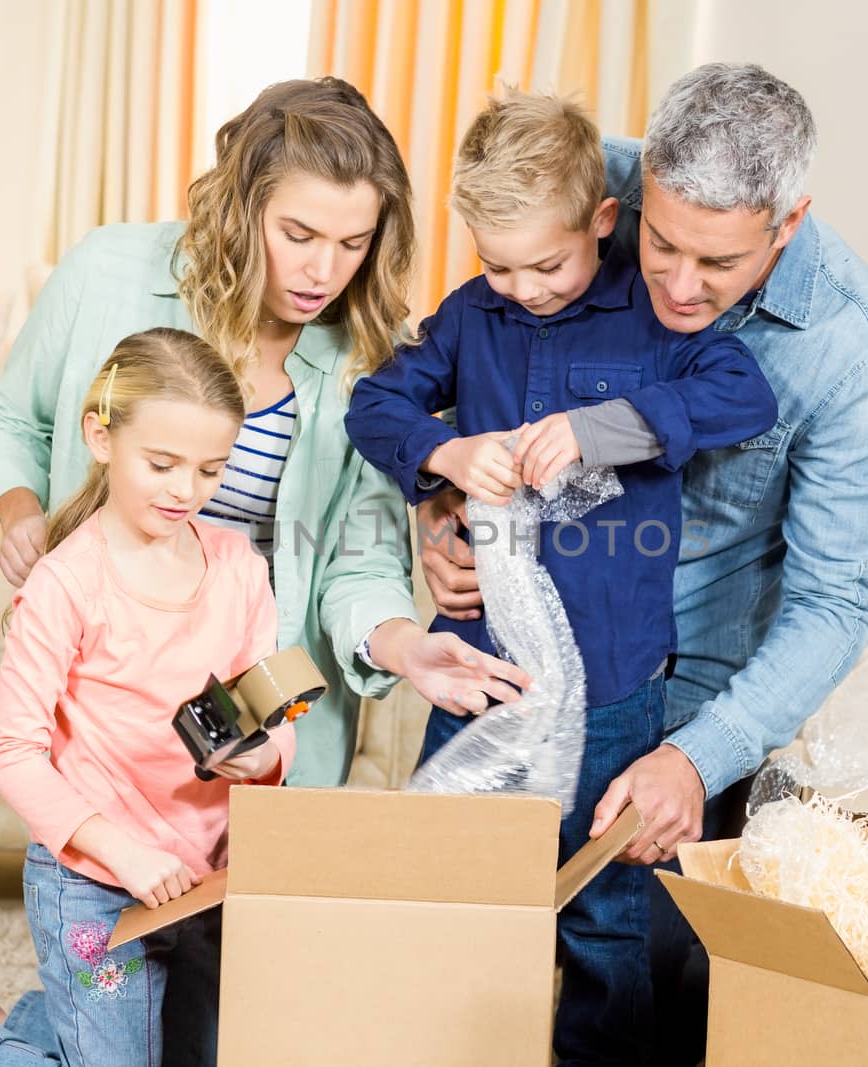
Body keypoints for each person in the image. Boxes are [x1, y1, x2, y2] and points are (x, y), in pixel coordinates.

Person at [415, 64, 868, 1064]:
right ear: (629, 201)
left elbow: (834, 600)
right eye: (661, 245)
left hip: (679, 695)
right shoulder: (580, 189)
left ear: (789, 219)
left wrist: (698, 754)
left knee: (639, 988)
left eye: (718, 262)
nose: (679, 285)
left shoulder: (853, 351)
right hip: (513, 648)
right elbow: (466, 357)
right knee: (447, 942)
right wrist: (437, 497)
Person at [345, 90, 778, 1067]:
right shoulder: (469, 317)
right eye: (496, 264)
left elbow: (739, 394)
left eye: (546, 263)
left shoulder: (654, 313)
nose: (524, 287)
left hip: (618, 687)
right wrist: (443, 458)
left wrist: (598, 430)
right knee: (445, 884)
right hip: (483, 673)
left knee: (602, 915)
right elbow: (375, 403)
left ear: (602, 220)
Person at [0, 77, 527, 791]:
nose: (322, 271)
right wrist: (20, 509)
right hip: (106, 668)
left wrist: (410, 648)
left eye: (352, 243)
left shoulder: (376, 360)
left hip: (267, 686)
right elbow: (14, 418)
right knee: (99, 872)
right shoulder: (105, 273)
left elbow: (358, 565)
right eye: (297, 234)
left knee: (250, 896)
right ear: (241, 208)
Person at [0, 329, 288, 1065]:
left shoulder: (240, 568)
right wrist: (122, 852)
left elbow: (271, 708)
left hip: (206, 882)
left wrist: (267, 755)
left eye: (212, 469)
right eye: (163, 464)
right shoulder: (65, 582)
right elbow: (11, 751)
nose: (187, 490)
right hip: (93, 886)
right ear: (101, 437)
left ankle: (20, 1021)